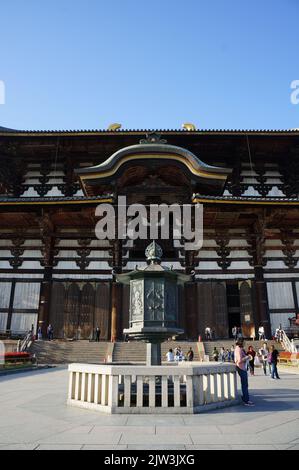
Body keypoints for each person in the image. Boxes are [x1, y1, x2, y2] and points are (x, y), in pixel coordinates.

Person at [234, 338, 254, 406]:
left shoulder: (239, 348)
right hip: (241, 367)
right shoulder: (239, 349)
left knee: (244, 384)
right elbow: (239, 360)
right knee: (245, 384)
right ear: (241, 342)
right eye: (243, 342)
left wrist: (247, 356)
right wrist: (247, 357)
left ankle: (245, 398)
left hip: (241, 367)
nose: (244, 343)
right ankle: (246, 400)